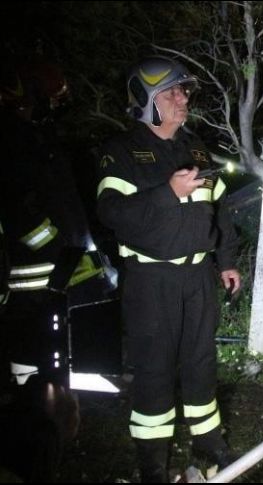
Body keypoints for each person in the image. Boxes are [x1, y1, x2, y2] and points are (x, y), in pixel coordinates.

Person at [96, 55, 241, 482]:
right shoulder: (120, 152)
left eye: (184, 91)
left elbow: (222, 211)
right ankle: (153, 466)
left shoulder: (196, 148)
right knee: (155, 368)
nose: (183, 99)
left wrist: (226, 261)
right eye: (172, 92)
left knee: (201, 362)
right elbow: (112, 213)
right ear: (146, 100)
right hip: (151, 281)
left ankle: (210, 446)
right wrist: (167, 193)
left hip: (197, 278)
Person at [0, 56, 100, 482]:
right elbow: (17, 208)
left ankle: (57, 437)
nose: (51, 108)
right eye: (48, 99)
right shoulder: (9, 139)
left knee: (62, 369)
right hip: (32, 287)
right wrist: (58, 245)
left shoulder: (36, 137)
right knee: (33, 377)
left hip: (59, 280)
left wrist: (83, 255)